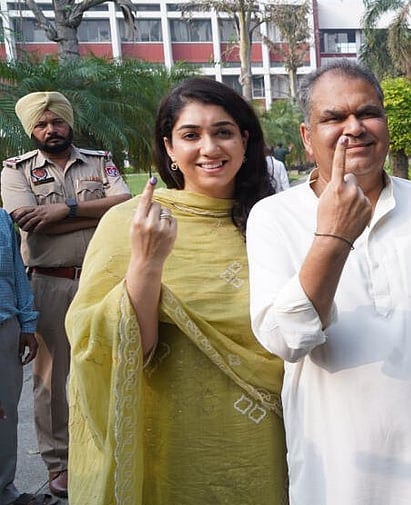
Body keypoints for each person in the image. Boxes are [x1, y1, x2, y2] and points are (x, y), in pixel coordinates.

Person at [247, 59, 411, 505]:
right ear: (307, 137)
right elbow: (285, 339)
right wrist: (334, 237)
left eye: (368, 113)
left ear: (385, 123)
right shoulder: (273, 217)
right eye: (334, 117)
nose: (354, 127)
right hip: (338, 468)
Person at [64, 78, 287, 503]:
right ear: (169, 147)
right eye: (191, 135)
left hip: (266, 435)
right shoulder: (132, 223)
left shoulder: (274, 220)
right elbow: (112, 347)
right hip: (170, 433)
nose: (209, 148)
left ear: (245, 140)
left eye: (223, 132)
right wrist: (147, 263)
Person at [1, 91, 132, 498]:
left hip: (104, 279)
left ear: (68, 122)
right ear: (31, 130)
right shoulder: (15, 171)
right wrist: (95, 214)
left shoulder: (100, 160)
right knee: (51, 379)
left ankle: (111, 448)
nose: (50, 130)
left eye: (56, 121)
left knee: (110, 366)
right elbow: (29, 223)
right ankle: (60, 462)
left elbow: (125, 203)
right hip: (49, 283)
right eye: (41, 124)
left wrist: (64, 211)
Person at [1, 209, 53, 505]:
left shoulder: (0, 219)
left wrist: (27, 324)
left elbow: (17, 272)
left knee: (5, 417)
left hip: (6, 327)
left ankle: (5, 492)